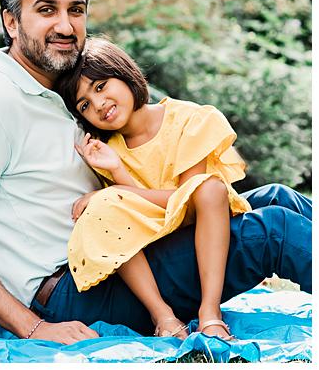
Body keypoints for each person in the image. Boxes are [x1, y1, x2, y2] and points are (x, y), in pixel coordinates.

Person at [0, 0, 312, 344]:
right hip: (76, 290)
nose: (65, 24)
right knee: (276, 231)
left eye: (76, 10)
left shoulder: (62, 89)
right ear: (11, 21)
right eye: (46, 10)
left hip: (125, 248)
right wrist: (33, 327)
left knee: (280, 198)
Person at [54, 37, 313, 340]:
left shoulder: (187, 119)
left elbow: (190, 202)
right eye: (85, 104)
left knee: (279, 195)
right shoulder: (107, 154)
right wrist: (116, 173)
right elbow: (135, 222)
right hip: (168, 246)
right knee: (272, 221)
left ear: (123, 72)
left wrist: (112, 191)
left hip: (201, 218)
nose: (98, 105)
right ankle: (208, 312)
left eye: (100, 86)